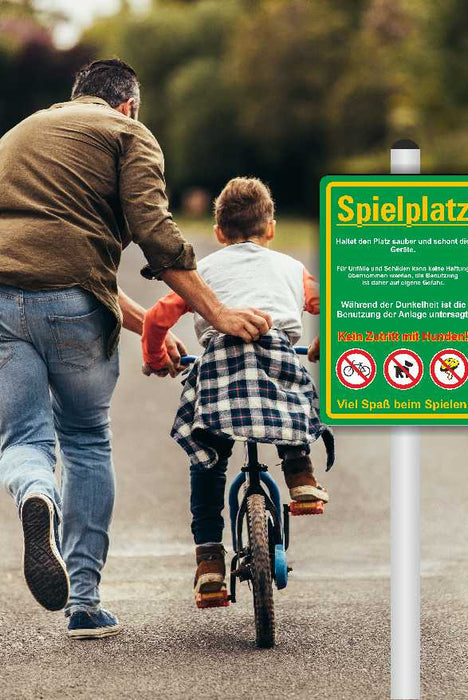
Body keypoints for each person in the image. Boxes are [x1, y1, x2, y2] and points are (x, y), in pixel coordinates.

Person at [0, 59, 272, 639]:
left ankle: (36, 495)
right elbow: (154, 232)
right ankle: (83, 602)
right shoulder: (128, 134)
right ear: (129, 105)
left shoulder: (18, 135)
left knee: (23, 439)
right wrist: (217, 312)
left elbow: (56, 263)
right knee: (84, 438)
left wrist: (151, 323)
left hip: (1, 303)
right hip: (74, 306)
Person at [141, 176, 331, 606]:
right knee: (293, 400)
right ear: (271, 229)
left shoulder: (201, 274)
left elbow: (156, 318)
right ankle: (300, 478)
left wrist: (155, 359)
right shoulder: (289, 268)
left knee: (207, 459)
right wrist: (327, 341)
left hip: (219, 375)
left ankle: (209, 562)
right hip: (274, 360)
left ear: (218, 234)